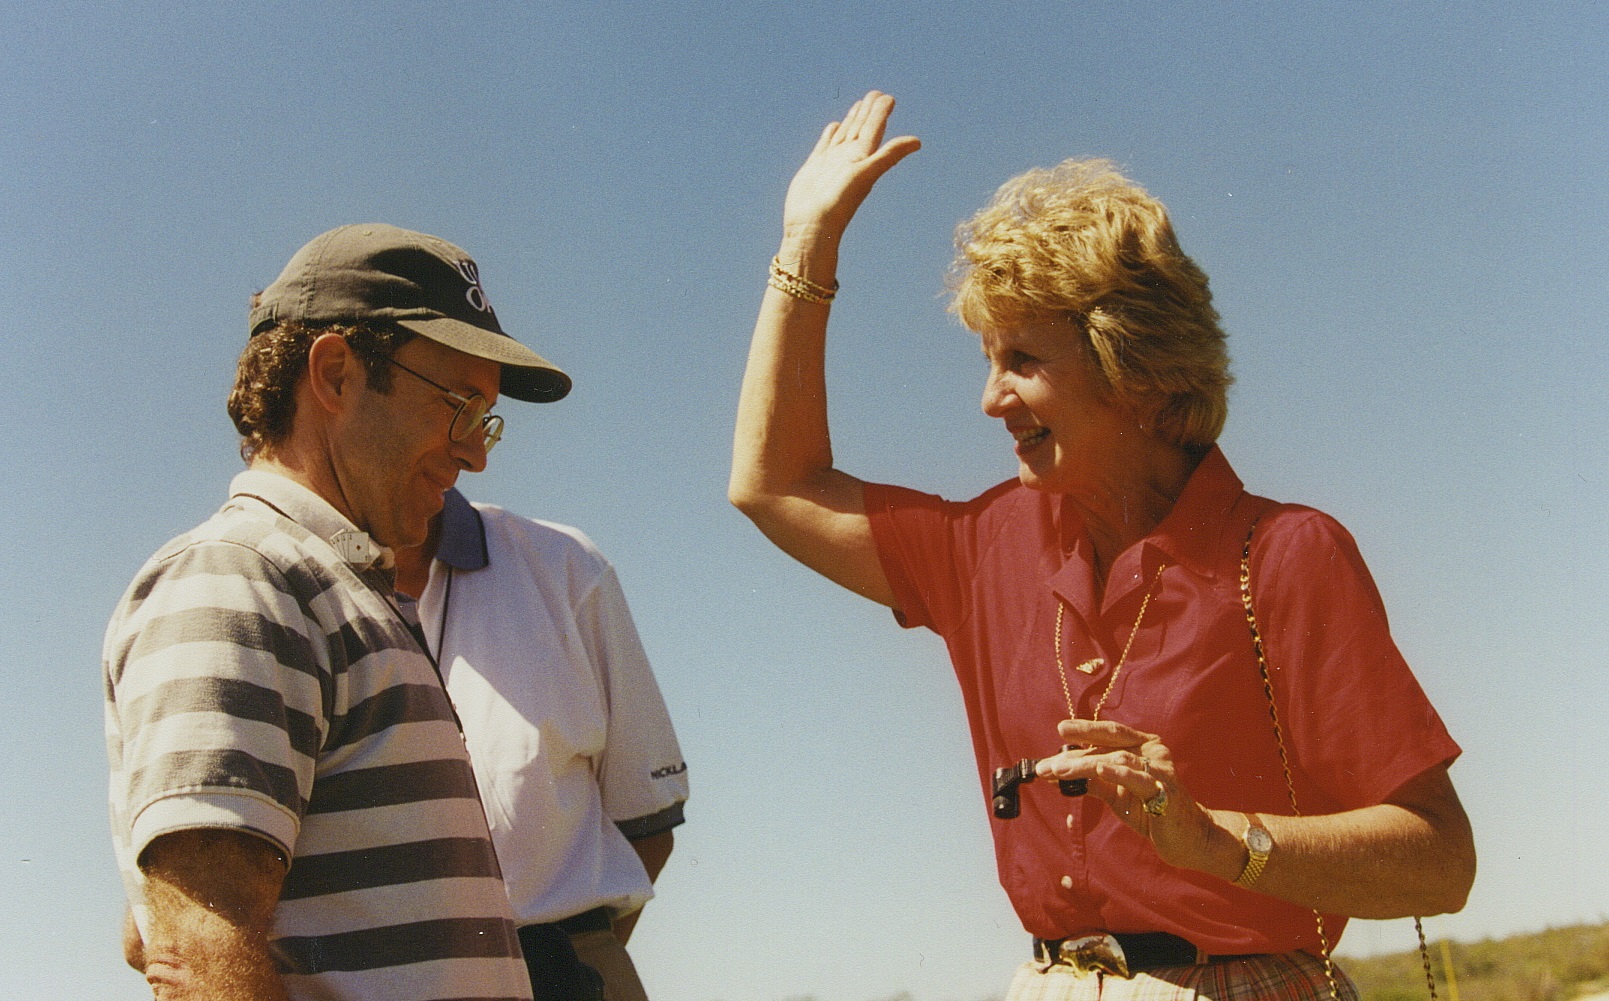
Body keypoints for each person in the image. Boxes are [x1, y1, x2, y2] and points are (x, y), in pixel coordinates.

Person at [728, 92, 1476, 1000]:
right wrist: (806, 244)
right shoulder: (986, 546)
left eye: (1023, 362)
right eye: (987, 361)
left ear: (1129, 361)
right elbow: (772, 484)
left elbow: (1440, 860)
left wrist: (1212, 840)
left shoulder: (1283, 555)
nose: (990, 400)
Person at [104, 223, 571, 1001]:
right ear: (334, 375)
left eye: (484, 418)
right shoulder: (244, 576)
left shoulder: (337, 592)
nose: (477, 452)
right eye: (460, 406)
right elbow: (194, 945)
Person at [392, 489, 689, 1001]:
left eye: (480, 412)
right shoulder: (272, 579)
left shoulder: (564, 564)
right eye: (450, 403)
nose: (473, 448)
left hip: (566, 972)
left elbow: (648, 826)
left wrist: (560, 968)